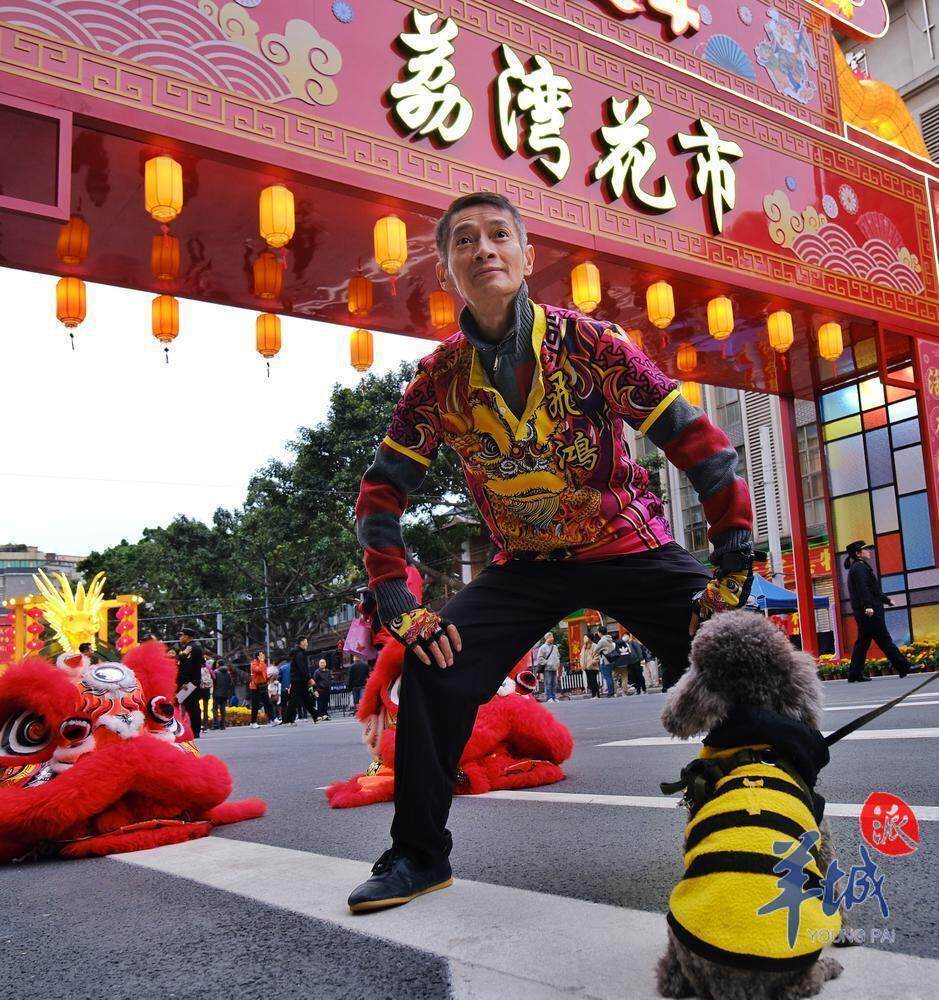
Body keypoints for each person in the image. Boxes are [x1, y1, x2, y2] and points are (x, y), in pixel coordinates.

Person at [348, 191, 754, 913]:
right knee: (432, 665)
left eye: (499, 235)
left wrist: (730, 564)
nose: (484, 250)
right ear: (447, 272)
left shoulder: (595, 346)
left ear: (527, 256)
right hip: (524, 566)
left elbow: (700, 445)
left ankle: (781, 849)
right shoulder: (437, 381)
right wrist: (399, 603)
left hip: (625, 544)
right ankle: (417, 854)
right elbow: (380, 494)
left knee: (735, 653)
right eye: (464, 241)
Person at [845, 540, 911, 682]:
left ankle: (855, 673)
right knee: (884, 639)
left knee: (863, 642)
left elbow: (873, 590)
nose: (868, 551)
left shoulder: (859, 567)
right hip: (869, 612)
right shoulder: (859, 568)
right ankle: (904, 667)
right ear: (858, 554)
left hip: (866, 611)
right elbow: (864, 589)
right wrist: (868, 606)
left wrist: (886, 600)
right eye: (865, 549)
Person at [176, 625, 204, 738]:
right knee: (190, 706)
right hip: (191, 682)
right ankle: (193, 730)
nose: (180, 637)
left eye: (181, 635)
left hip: (189, 683)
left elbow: (186, 665)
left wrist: (185, 682)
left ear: (187, 636)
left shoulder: (191, 647)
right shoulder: (192, 646)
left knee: (192, 707)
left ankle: (195, 731)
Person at [287, 637, 318, 724]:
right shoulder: (299, 653)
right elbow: (302, 668)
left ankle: (315, 715)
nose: (307, 644)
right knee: (294, 700)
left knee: (306, 699)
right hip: (298, 680)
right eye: (305, 642)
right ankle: (288, 719)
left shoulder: (299, 653)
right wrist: (309, 678)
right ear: (301, 643)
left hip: (300, 679)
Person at [248, 650, 278, 728]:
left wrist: (267, 678)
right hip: (255, 687)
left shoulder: (263, 663)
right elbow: (258, 670)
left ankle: (273, 719)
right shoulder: (253, 664)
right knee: (255, 705)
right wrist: (261, 661)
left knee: (268, 703)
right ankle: (253, 722)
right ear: (258, 656)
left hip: (263, 686)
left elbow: (263, 674)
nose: (264, 656)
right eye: (262, 655)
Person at [535, 633, 560, 703]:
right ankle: (549, 697)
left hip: (554, 668)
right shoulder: (543, 647)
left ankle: (554, 697)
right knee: (548, 683)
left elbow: (558, 656)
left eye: (552, 637)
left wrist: (557, 662)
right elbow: (539, 658)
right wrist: (547, 663)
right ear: (547, 638)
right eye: (550, 637)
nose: (552, 638)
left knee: (555, 683)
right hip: (547, 669)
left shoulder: (555, 647)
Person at [212, 659, 234, 729]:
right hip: (225, 693)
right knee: (223, 709)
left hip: (216, 693)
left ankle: (215, 724)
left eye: (217, 663)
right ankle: (222, 725)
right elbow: (231, 683)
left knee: (215, 709)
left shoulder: (215, 672)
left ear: (218, 664)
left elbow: (213, 682)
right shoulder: (228, 673)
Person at [594, 630, 617, 697]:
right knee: (610, 676)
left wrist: (599, 651)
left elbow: (595, 650)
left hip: (605, 660)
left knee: (607, 677)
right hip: (611, 660)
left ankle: (610, 692)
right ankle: (612, 691)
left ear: (600, 633)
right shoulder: (609, 639)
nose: (598, 633)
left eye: (598, 632)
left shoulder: (602, 641)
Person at [198, 657, 214, 730]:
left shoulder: (196, 669)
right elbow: (214, 677)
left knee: (197, 708)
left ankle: (198, 724)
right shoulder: (208, 669)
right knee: (206, 708)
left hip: (198, 690)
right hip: (206, 690)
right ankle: (205, 725)